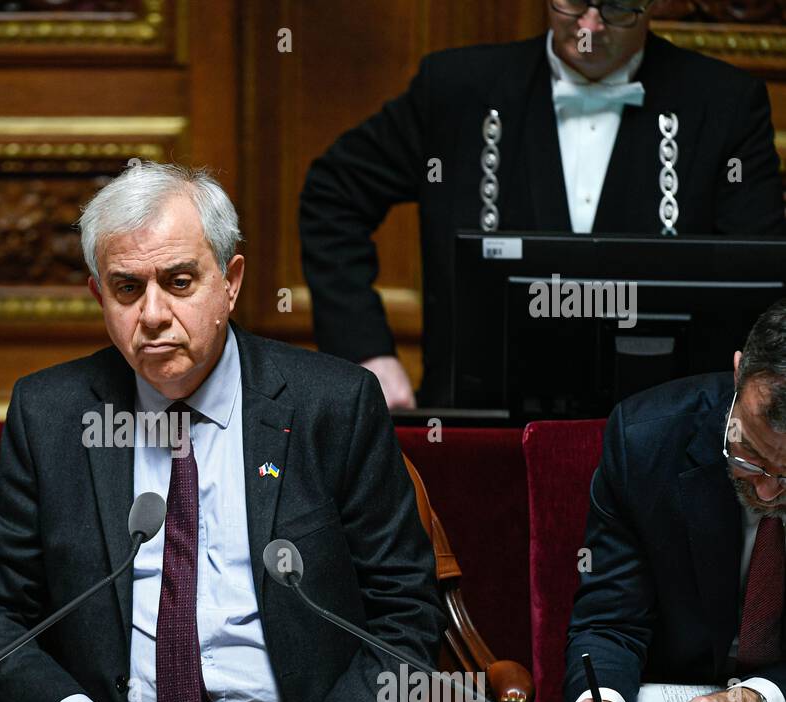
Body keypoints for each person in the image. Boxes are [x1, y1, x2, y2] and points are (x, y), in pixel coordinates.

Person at [0, 162, 444, 702]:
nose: (152, 315)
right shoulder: (52, 415)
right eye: (128, 288)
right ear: (100, 294)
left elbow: (407, 608)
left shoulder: (331, 405)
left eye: (179, 282)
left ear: (229, 282)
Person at [300, 0, 785, 409]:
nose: (591, 27)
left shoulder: (724, 104)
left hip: (663, 446)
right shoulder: (456, 89)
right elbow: (333, 195)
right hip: (482, 430)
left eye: (616, 8)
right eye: (573, 2)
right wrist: (365, 353)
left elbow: (759, 276)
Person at [562, 301, 786, 702]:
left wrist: (756, 701)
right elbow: (611, 621)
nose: (767, 491)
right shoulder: (645, 441)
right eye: (751, 456)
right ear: (739, 371)